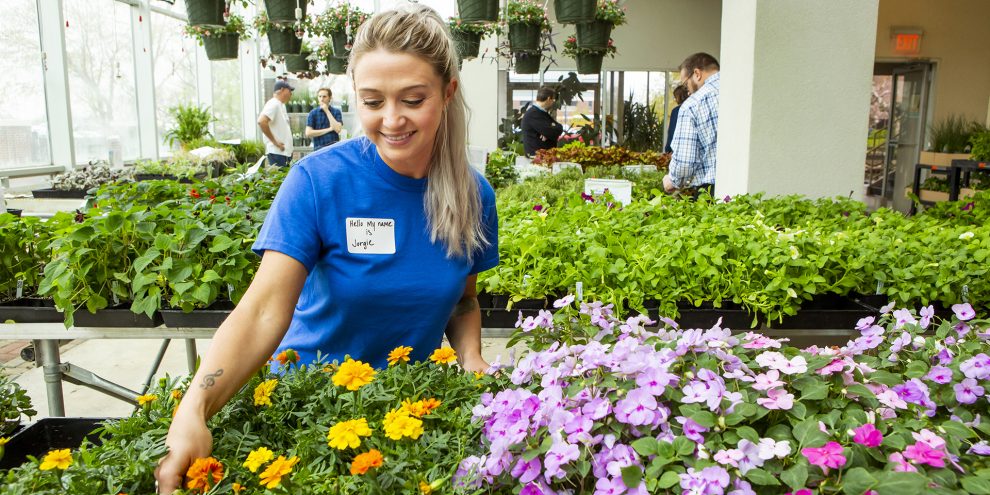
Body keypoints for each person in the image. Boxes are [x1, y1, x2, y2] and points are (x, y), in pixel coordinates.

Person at [154, 5, 499, 493]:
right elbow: (261, 312)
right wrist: (194, 409)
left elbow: (463, 301)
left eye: (413, 99)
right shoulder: (318, 182)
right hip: (305, 408)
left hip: (406, 420)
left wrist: (470, 358)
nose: (392, 119)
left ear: (447, 93)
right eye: (373, 101)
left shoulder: (472, 194)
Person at [663, 52, 720, 199]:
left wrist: (672, 180)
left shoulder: (693, 104)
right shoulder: (740, 90)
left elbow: (685, 162)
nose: (687, 90)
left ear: (697, 73)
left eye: (685, 83)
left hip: (710, 192)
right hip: (743, 184)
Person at [258, 79, 295, 167]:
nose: (291, 94)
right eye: (289, 90)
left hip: (283, 154)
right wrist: (275, 142)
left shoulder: (280, 105)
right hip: (277, 154)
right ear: (282, 89)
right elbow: (262, 121)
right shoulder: (273, 103)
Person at [521, 86, 564, 157]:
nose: (553, 102)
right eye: (553, 99)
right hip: (536, 159)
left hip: (544, 158)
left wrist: (548, 132)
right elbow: (552, 133)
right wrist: (550, 130)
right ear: (548, 99)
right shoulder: (533, 114)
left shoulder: (542, 113)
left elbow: (559, 128)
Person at [664, 84, 689, 154]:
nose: (675, 100)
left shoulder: (676, 111)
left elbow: (672, 131)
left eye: (675, 97)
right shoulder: (694, 108)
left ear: (679, 97)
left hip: (677, 150)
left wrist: (667, 149)